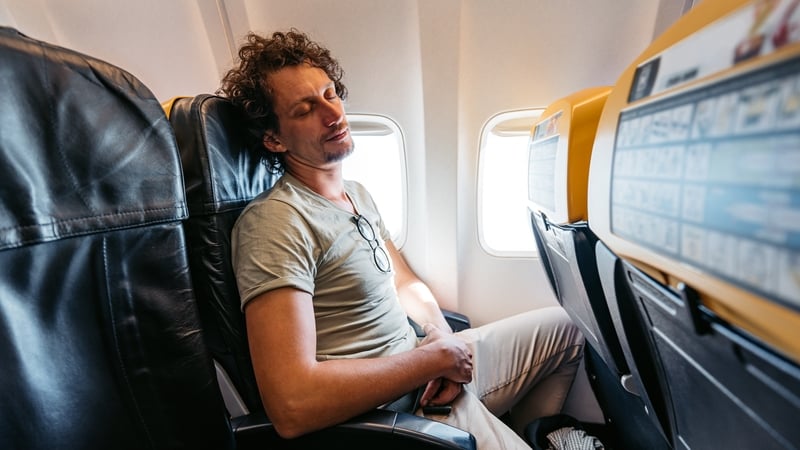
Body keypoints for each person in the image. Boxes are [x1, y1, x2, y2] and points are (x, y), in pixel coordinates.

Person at [222, 29, 584, 449]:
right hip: (397, 413)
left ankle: (535, 435)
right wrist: (429, 361)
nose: (332, 113)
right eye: (305, 109)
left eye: (330, 93)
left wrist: (440, 335)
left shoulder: (356, 194)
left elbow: (404, 282)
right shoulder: (274, 223)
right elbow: (292, 404)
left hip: (423, 361)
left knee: (568, 327)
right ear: (274, 138)